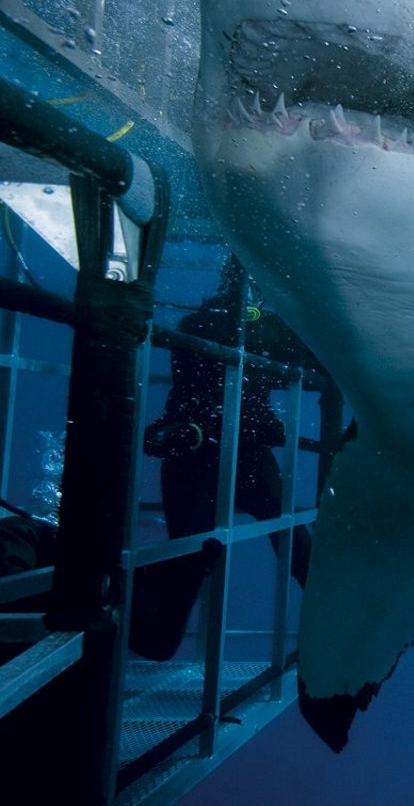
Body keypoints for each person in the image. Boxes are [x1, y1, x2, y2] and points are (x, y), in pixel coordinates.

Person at [131, 265, 315, 661]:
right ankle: (139, 601)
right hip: (200, 452)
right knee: (194, 559)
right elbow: (310, 357)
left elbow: (311, 360)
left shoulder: (202, 322)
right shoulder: (211, 324)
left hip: (232, 452)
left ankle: (153, 625)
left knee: (293, 547)